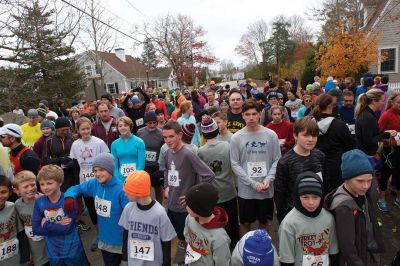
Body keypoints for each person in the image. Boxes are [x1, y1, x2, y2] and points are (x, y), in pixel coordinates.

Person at [64, 153, 129, 266]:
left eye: (102, 170)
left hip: (121, 243)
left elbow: (131, 217)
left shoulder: (121, 189)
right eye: (95, 170)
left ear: (110, 169)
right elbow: (76, 188)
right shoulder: (95, 184)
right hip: (104, 241)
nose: (97, 174)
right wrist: (69, 196)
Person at [230, 99, 281, 236]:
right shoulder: (236, 138)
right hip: (246, 191)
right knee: (245, 223)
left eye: (254, 114)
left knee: (264, 223)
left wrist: (268, 180)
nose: (251, 118)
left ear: (260, 114)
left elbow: (277, 159)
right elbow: (235, 164)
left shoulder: (271, 135)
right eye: (247, 114)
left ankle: (263, 250)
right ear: (242, 115)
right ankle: (244, 251)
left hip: (266, 189)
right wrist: (253, 184)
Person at [162, 120, 215, 251]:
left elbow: (209, 175)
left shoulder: (188, 154)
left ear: (180, 135)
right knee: (175, 237)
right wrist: (167, 186)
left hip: (185, 209)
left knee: (189, 240)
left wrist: (192, 196)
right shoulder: (168, 152)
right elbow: (167, 170)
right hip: (171, 203)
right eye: (165, 137)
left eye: (171, 136)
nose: (168, 140)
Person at [325, 149, 384, 265]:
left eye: (369, 181)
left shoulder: (360, 192)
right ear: (346, 178)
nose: (366, 186)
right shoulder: (344, 208)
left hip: (364, 250)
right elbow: (347, 248)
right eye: (360, 181)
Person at [32, 165, 89, 266]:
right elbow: (36, 229)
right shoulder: (39, 202)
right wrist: (59, 226)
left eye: (49, 183)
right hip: (53, 252)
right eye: (42, 184)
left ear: (60, 182)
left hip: (72, 250)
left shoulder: (69, 201)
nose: (45, 187)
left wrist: (46, 225)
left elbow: (68, 229)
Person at [279, 172, 339, 266]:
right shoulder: (289, 223)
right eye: (305, 197)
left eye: (315, 197)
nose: (311, 202)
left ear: (322, 196)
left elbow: (334, 251)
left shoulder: (329, 218)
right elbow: (286, 259)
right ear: (298, 197)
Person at [119, 171, 176, 266]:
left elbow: (166, 241)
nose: (125, 194)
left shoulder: (159, 212)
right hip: (134, 262)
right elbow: (126, 234)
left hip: (154, 262)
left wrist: (166, 263)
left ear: (138, 191)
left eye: (128, 191)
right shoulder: (128, 208)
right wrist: (124, 258)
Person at [198, 115, 239, 248]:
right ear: (217, 131)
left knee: (216, 222)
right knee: (232, 222)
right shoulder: (227, 146)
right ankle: (233, 245)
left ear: (203, 134)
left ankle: (218, 246)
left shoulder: (201, 151)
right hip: (230, 190)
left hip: (213, 194)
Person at [69, 117, 110, 249]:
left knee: (103, 209)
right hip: (85, 183)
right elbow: (75, 166)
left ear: (91, 128)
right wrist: (77, 186)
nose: (86, 131)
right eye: (83, 129)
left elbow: (108, 161)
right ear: (78, 130)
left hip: (100, 182)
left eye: (88, 128)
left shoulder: (99, 143)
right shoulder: (75, 145)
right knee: (92, 210)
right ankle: (100, 236)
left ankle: (109, 233)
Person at [274, 117, 324, 223]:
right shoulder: (285, 162)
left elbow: (325, 185)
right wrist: (283, 219)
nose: (311, 139)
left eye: (314, 135)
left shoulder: (320, 156)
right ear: (295, 135)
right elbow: (280, 194)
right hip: (294, 215)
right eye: (305, 135)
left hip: (317, 213)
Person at [314, 94, 356, 192]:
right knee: (336, 194)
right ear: (330, 106)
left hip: (317, 164)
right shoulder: (339, 125)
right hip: (337, 166)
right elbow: (352, 145)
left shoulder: (311, 123)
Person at [184, 183, 231, 265]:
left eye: (190, 206)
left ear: (199, 209)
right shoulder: (190, 218)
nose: (186, 207)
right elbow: (187, 236)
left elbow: (222, 262)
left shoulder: (220, 238)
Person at [13, 171, 48, 266]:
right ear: (17, 191)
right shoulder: (17, 205)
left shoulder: (45, 199)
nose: (31, 189)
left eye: (33, 185)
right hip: (35, 249)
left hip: (50, 244)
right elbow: (20, 230)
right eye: (25, 187)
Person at [355, 89, 396, 161]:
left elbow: (372, 134)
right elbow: (368, 141)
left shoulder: (367, 114)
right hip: (366, 155)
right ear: (374, 101)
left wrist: (386, 132)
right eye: (382, 101)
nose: (383, 103)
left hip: (365, 154)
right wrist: (385, 134)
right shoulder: (368, 117)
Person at [377, 92, 400, 211]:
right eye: (398, 102)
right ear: (391, 102)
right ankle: (381, 197)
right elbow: (378, 135)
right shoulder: (386, 115)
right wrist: (393, 142)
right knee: (385, 173)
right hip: (389, 150)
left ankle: (398, 198)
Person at [0, 175, 29, 266]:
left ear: (10, 192)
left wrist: (25, 256)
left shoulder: (13, 207)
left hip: (14, 260)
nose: (0, 196)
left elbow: (21, 233)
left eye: (3, 192)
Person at [137, 112, 165, 203]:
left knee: (158, 187)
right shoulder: (140, 132)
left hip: (156, 165)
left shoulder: (161, 133)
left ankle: (160, 205)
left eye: (154, 123)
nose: (152, 125)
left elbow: (165, 149)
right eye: (149, 123)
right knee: (144, 187)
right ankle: (146, 205)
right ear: (145, 123)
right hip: (144, 165)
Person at [42, 117, 75, 192]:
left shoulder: (73, 137)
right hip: (58, 174)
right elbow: (44, 160)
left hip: (73, 172)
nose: (66, 132)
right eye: (63, 130)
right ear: (56, 129)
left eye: (67, 129)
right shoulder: (49, 141)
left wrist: (74, 162)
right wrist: (60, 160)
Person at [111, 116, 145, 182]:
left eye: (125, 125)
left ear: (130, 126)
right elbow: (115, 166)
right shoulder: (114, 144)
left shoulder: (139, 142)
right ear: (117, 128)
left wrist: (134, 178)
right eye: (120, 126)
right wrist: (118, 180)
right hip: (121, 180)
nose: (123, 128)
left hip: (136, 179)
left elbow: (141, 164)